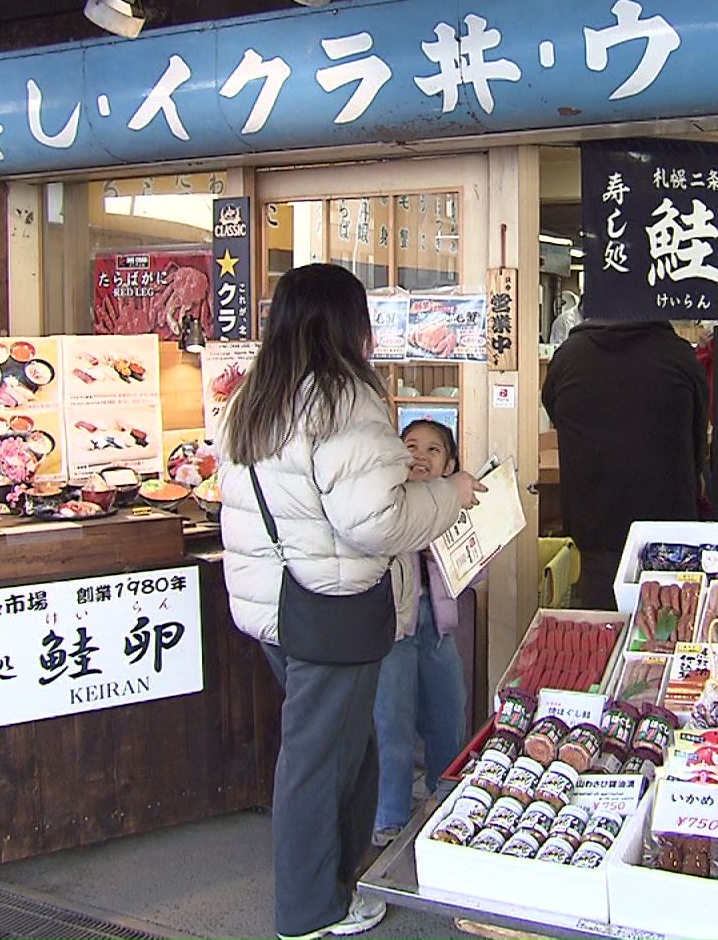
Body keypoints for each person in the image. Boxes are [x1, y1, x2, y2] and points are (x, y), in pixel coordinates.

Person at [218, 264, 484, 940]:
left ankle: (339, 886)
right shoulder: (341, 397)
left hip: (276, 607)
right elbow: (375, 521)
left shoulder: (256, 396)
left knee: (342, 750)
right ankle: (310, 911)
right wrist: (448, 496)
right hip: (330, 606)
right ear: (349, 323)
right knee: (318, 760)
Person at [543, 318, 708, 610]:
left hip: (592, 519)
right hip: (668, 522)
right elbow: (699, 432)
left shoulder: (569, 356)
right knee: (667, 621)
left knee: (603, 623)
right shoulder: (678, 355)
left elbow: (555, 411)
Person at [372, 419, 473, 847]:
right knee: (391, 722)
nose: (420, 455)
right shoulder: (383, 504)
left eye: (434, 450)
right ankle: (388, 816)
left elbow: (476, 574)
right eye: (410, 445)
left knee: (449, 716)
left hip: (439, 626)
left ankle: (445, 801)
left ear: (450, 465)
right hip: (394, 629)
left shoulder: (453, 507)